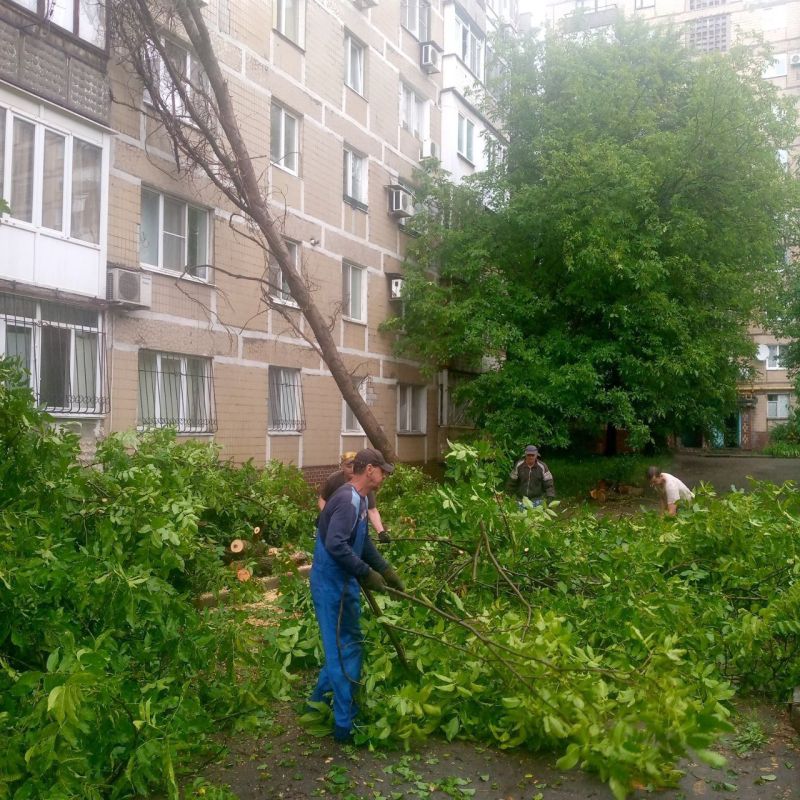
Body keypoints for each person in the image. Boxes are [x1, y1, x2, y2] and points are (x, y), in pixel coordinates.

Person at [308, 447, 404, 744]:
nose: (385, 476)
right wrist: (365, 573)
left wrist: (385, 570)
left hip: (344, 580)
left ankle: (315, 703)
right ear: (370, 469)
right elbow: (337, 546)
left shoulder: (361, 500)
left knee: (351, 643)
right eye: (382, 470)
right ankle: (344, 726)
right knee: (342, 649)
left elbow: (360, 543)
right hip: (331, 583)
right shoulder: (348, 501)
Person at [319, 452, 391, 542]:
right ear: (342, 466)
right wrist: (325, 515)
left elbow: (372, 510)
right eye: (349, 466)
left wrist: (381, 532)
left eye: (355, 465)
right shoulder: (334, 480)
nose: (352, 469)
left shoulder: (365, 485)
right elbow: (322, 499)